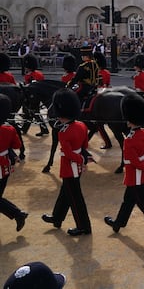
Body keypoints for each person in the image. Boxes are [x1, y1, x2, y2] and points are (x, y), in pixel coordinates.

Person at [103, 94, 144, 240]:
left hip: (135, 175)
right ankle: (118, 223)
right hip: (139, 175)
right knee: (128, 200)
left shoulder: (129, 140)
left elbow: (135, 162)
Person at [42, 89, 92, 236]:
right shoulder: (82, 125)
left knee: (75, 199)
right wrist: (83, 159)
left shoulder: (63, 132)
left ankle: (83, 226)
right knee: (66, 193)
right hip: (78, 165)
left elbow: (69, 154)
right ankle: (57, 217)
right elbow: (85, 146)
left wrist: (81, 159)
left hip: (69, 167)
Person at [0, 94, 27, 232]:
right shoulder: (9, 129)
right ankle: (17, 214)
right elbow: (17, 145)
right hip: (4, 166)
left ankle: (17, 213)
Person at [71, 45, 98, 111]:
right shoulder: (95, 64)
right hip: (94, 86)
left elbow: (76, 78)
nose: (82, 57)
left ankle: (77, 110)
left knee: (73, 96)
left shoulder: (82, 66)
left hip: (84, 87)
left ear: (86, 56)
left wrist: (69, 85)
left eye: (83, 55)